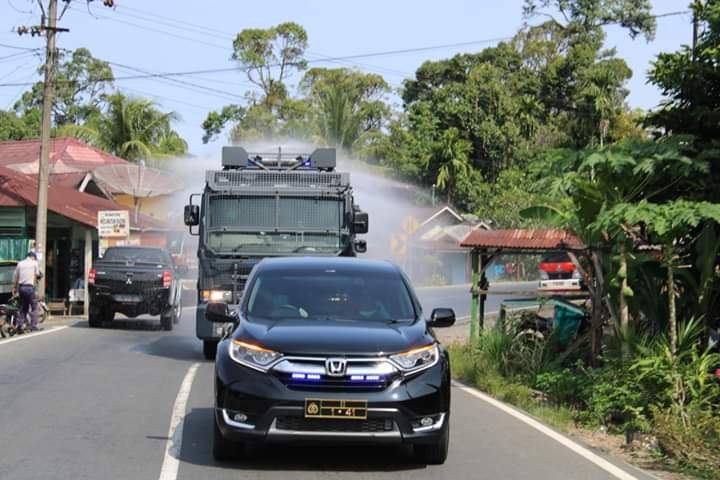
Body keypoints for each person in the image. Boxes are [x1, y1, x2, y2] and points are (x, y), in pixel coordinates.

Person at [11, 251, 43, 333]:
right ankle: (33, 326)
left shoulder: (20, 263)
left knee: (24, 307)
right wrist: (34, 287)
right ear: (32, 257)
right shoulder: (34, 263)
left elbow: (16, 277)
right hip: (29, 287)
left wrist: (14, 288)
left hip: (21, 288)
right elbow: (36, 276)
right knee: (34, 307)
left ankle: (19, 326)